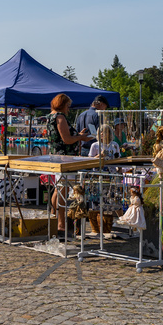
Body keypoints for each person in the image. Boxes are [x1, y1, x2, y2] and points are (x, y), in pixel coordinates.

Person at [46, 94, 93, 233]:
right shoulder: (59, 117)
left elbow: (62, 137)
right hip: (64, 158)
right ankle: (61, 223)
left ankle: (55, 218)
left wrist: (78, 135)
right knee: (63, 190)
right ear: (62, 104)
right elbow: (66, 140)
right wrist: (81, 137)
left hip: (56, 156)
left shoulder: (50, 116)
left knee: (58, 188)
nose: (68, 109)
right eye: (67, 105)